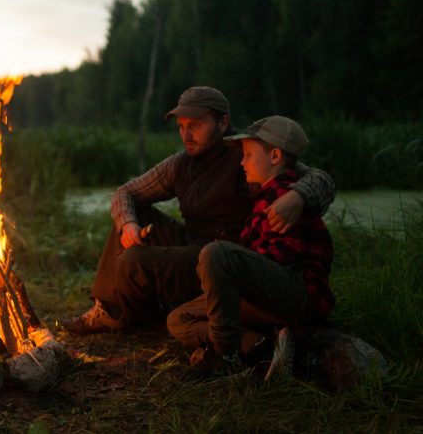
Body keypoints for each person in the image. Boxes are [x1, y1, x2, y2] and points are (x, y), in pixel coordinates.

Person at [62, 86, 335, 334]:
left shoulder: (247, 154)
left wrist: (298, 195)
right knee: (136, 215)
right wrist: (129, 224)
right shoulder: (180, 163)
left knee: (134, 261)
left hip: (226, 260)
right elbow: (125, 192)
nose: (186, 135)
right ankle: (110, 310)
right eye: (181, 126)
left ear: (223, 123)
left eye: (196, 125)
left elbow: (320, 179)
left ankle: (150, 311)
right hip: (192, 243)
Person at [165, 115, 334, 377]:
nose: (241, 163)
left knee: (216, 252)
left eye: (248, 155)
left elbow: (285, 256)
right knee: (178, 319)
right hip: (268, 291)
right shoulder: (260, 192)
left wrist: (232, 274)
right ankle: (260, 347)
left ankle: (225, 359)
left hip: (298, 294)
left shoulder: (285, 197)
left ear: (275, 156)